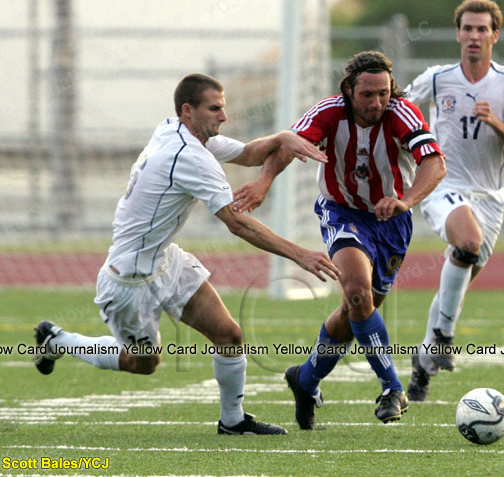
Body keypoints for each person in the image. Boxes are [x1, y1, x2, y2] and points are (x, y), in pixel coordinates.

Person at [33, 73, 340, 435]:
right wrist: (300, 254)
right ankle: (61, 341)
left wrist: (283, 137)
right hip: (130, 280)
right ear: (188, 110)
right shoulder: (190, 156)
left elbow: (249, 153)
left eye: (223, 108)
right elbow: (238, 224)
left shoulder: (175, 131)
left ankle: (233, 421)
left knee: (229, 335)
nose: (223, 117)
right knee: (143, 364)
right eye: (215, 109)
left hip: (165, 261)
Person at [239, 51, 445, 429]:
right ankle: (392, 388)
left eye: (383, 93)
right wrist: (263, 183)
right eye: (367, 94)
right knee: (357, 292)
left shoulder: (402, 113)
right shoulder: (328, 112)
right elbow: (287, 145)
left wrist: (406, 200)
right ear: (348, 90)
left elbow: (435, 163)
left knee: (357, 313)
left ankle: (304, 380)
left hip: (392, 222)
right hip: (342, 213)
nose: (376, 102)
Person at [404, 0, 504, 402]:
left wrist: (495, 121)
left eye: (482, 29)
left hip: (491, 198)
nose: (474, 36)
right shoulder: (438, 78)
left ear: (495, 35)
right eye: (467, 28)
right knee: (467, 242)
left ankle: (425, 359)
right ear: (458, 33)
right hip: (442, 182)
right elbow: (399, 112)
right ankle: (443, 335)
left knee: (458, 282)